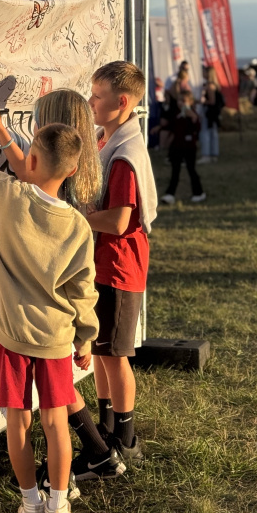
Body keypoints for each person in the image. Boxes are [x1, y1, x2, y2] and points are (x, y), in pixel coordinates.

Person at [0, 90, 99, 513]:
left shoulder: (3, 194)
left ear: (28, 159)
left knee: (18, 422)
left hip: (10, 338)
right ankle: (59, 508)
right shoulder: (77, 226)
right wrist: (86, 338)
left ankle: (30, 504)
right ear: (73, 170)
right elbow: (83, 291)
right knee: (57, 423)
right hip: (56, 340)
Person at [0, 90, 124, 493]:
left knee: (45, 408)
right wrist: (3, 133)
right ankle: (95, 456)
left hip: (38, 313)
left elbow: (26, 178)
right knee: (57, 402)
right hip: (61, 317)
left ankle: (88, 461)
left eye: (39, 121)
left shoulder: (53, 194)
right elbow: (29, 171)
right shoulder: (80, 166)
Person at [83, 61, 157, 478]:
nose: (91, 102)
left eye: (97, 96)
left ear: (122, 102)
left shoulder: (125, 154)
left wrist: (77, 216)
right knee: (101, 353)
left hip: (119, 269)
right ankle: (109, 427)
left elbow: (118, 221)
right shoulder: (106, 140)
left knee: (115, 356)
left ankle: (126, 441)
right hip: (104, 264)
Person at [161, 89, 205, 204]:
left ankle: (198, 192)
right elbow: (172, 126)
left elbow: (197, 129)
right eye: (179, 100)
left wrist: (193, 118)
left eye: (183, 101)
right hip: (177, 146)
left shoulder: (193, 114)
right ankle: (170, 194)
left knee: (191, 170)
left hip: (189, 148)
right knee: (175, 171)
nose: (180, 103)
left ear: (190, 102)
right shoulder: (176, 114)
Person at [199, 70, 224, 164]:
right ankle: (213, 154)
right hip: (214, 114)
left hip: (209, 112)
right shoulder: (215, 85)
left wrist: (202, 101)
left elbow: (212, 101)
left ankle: (206, 154)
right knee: (213, 133)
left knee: (205, 133)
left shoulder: (210, 86)